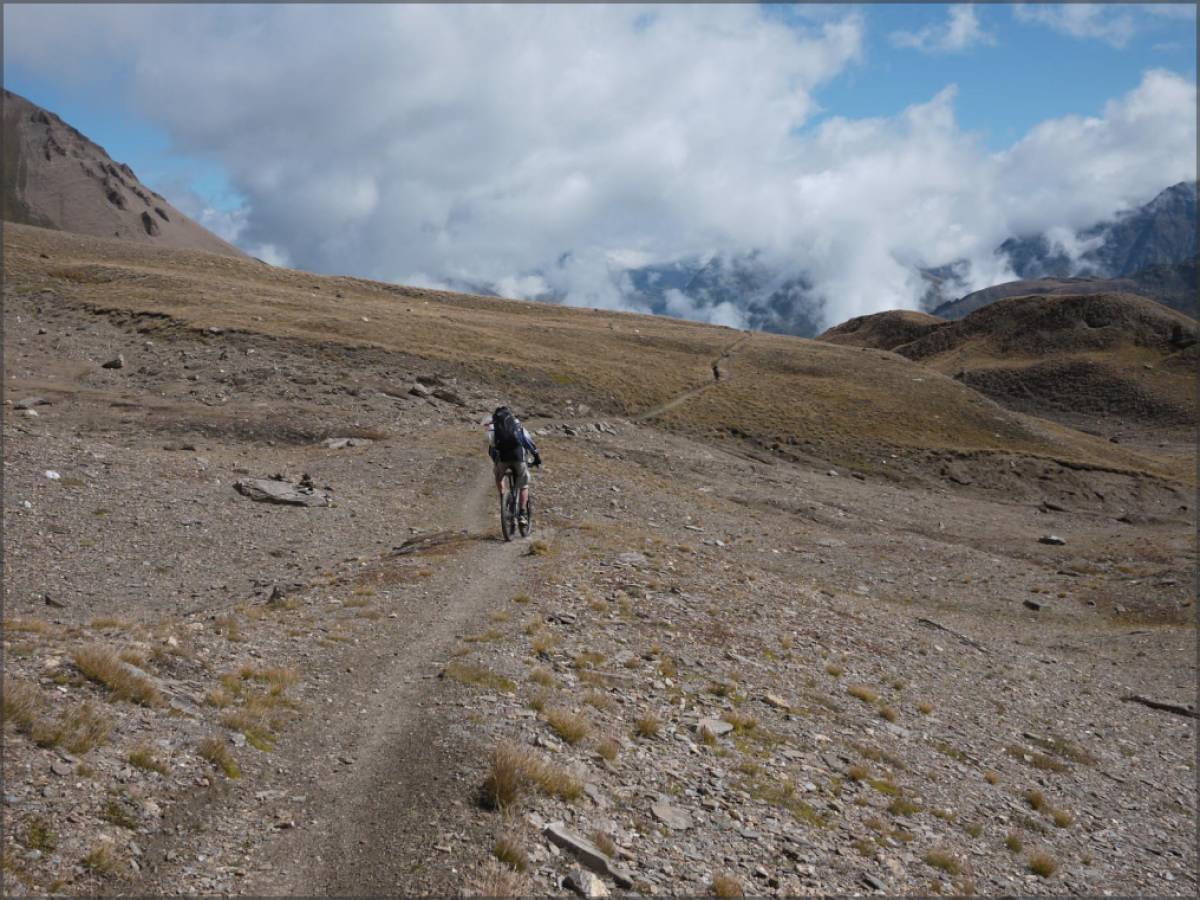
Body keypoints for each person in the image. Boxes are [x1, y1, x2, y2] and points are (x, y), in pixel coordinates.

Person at [487, 406, 541, 526]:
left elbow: (491, 448)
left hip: (503, 459)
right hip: (518, 458)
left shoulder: (494, 427)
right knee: (524, 486)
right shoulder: (517, 424)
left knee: (498, 476)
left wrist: (496, 462)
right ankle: (522, 514)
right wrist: (536, 457)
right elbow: (527, 441)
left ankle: (503, 498)